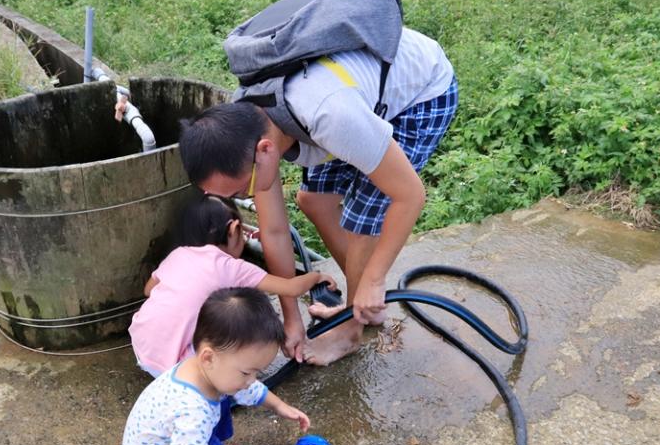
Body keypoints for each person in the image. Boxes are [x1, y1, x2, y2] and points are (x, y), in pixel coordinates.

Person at [179, 27, 457, 365]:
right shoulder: (245, 127)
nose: (243, 198)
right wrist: (291, 319)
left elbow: (410, 195)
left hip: (419, 92)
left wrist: (374, 278)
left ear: (266, 151)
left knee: (361, 220)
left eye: (241, 191)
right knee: (314, 200)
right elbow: (275, 231)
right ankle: (364, 303)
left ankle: (351, 330)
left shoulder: (331, 118)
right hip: (346, 94)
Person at [121, 287, 310, 445]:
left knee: (224, 396)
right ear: (209, 356)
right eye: (247, 372)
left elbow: (248, 390)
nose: (251, 380)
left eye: (257, 372)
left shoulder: (203, 368)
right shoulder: (191, 409)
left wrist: (279, 406)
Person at [129, 193, 336, 377]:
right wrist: (316, 277)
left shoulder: (179, 254)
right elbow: (291, 288)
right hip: (174, 368)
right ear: (234, 229)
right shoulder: (231, 267)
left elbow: (149, 290)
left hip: (141, 348)